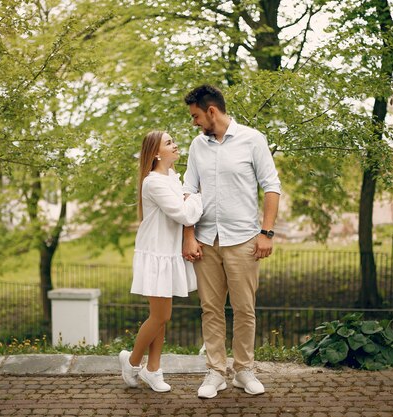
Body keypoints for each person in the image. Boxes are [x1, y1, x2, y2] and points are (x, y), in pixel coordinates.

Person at [182, 84, 281, 398]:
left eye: (197, 116)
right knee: (210, 309)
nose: (194, 123)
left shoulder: (253, 140)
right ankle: (215, 372)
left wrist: (266, 234)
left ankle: (244, 369)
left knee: (244, 308)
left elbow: (271, 187)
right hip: (206, 240)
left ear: (212, 111)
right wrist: (188, 237)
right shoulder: (197, 146)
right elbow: (188, 192)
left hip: (243, 240)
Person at [119, 130, 203, 393]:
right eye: (169, 143)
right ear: (156, 153)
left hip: (168, 253)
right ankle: (132, 363)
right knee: (160, 315)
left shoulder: (173, 178)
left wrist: (190, 199)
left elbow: (183, 209)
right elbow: (181, 213)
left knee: (161, 317)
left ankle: (153, 369)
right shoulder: (153, 182)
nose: (175, 145)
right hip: (155, 253)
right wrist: (197, 198)